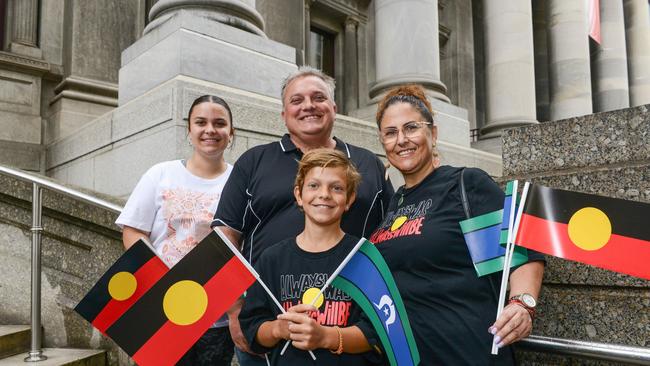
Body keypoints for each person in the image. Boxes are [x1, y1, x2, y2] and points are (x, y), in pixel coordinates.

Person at [212, 66, 393, 365]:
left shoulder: (368, 164)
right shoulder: (254, 161)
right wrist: (235, 310)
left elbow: (390, 239)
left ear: (334, 108)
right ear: (283, 114)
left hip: (350, 331)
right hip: (269, 328)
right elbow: (223, 237)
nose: (308, 105)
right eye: (296, 100)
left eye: (318, 97)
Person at [369, 85, 545, 365]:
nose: (401, 140)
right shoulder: (394, 203)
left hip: (468, 352)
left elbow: (519, 253)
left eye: (411, 128)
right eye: (390, 133)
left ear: (433, 133)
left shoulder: (465, 185)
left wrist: (522, 304)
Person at [115, 95, 236, 365]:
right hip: (163, 309)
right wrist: (161, 277)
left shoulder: (239, 181)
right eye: (201, 122)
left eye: (219, 123)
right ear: (189, 130)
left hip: (216, 317)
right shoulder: (160, 174)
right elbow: (133, 230)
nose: (210, 130)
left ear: (231, 133)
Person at [238, 148, 383, 365]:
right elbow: (253, 328)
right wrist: (279, 329)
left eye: (336, 188)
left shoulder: (364, 257)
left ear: (349, 199)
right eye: (314, 185)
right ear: (299, 194)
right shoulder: (272, 258)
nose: (324, 194)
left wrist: (325, 337)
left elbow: (377, 333)